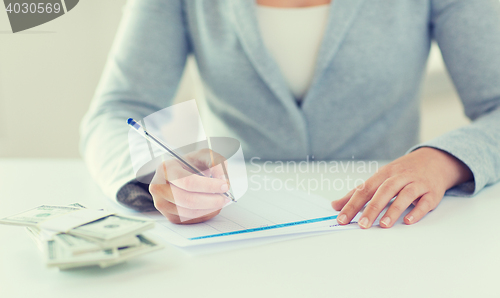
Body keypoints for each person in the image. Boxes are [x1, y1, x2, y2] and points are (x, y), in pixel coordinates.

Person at [80, 0, 500, 228]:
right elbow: (118, 111)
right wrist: (160, 175)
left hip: (382, 225)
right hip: (235, 228)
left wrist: (444, 161)